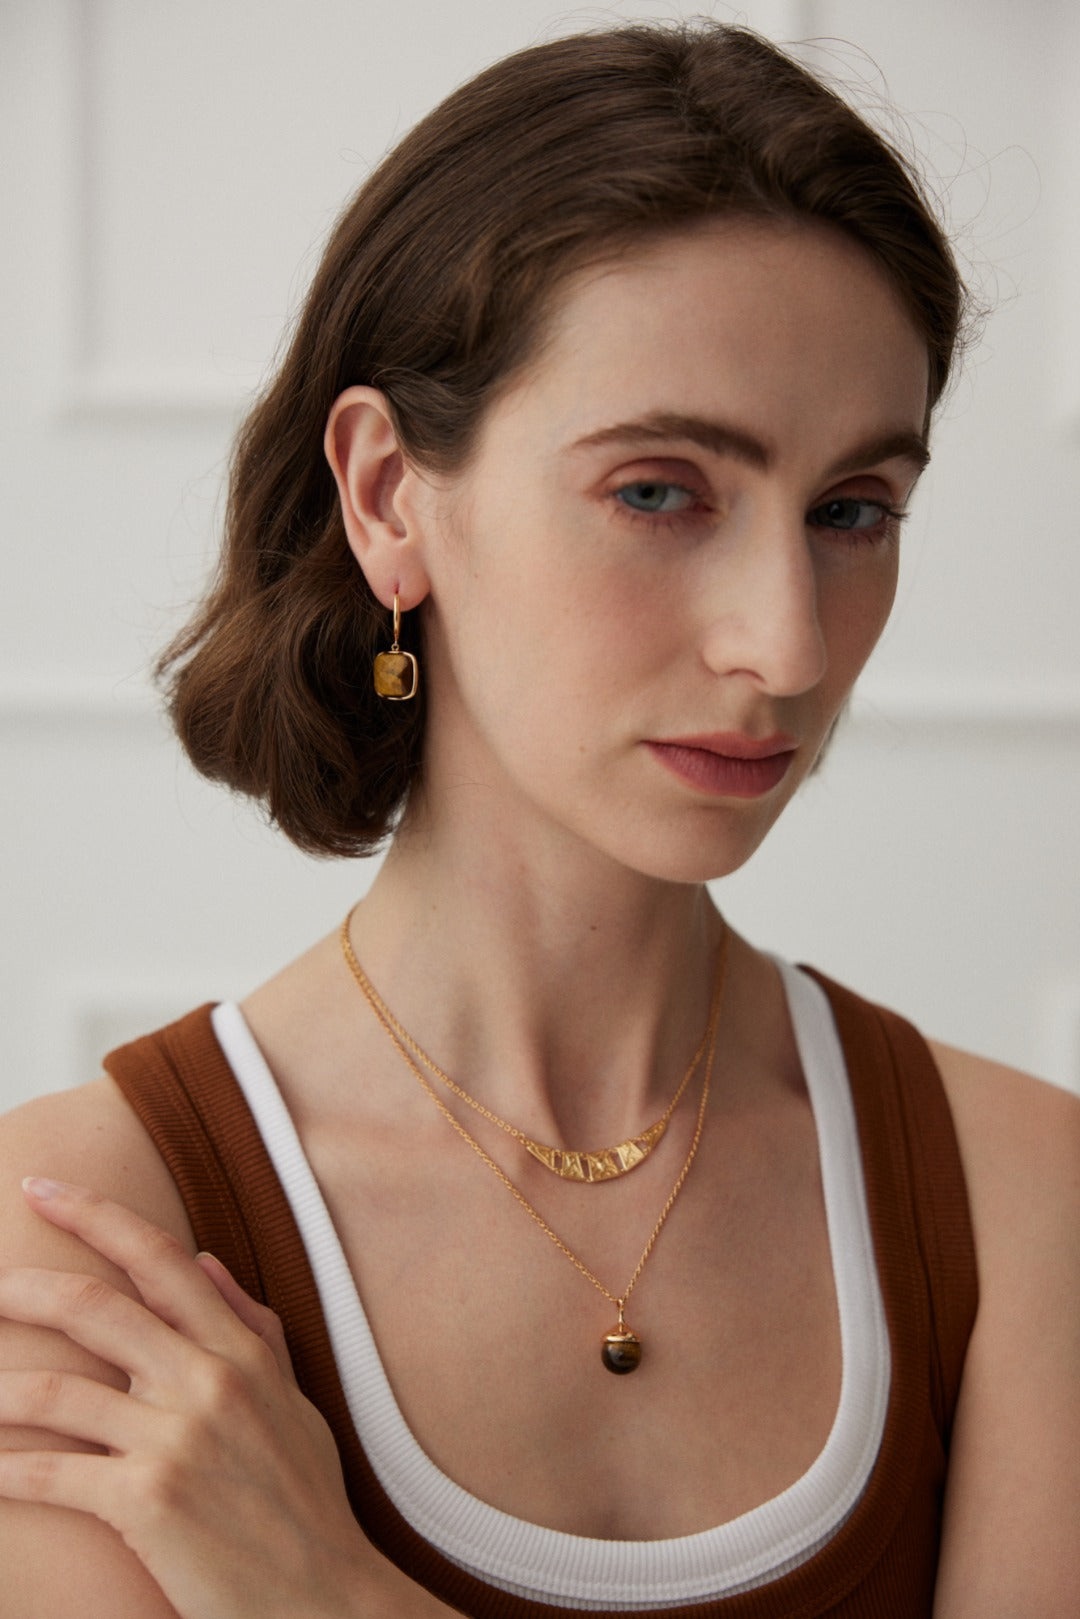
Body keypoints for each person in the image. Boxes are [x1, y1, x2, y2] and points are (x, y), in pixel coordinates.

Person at [0, 20, 1076, 1618]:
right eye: (660, 491)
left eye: (853, 512)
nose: (786, 644)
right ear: (386, 495)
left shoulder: (1024, 1199)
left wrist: (330, 1590)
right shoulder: (94, 1251)